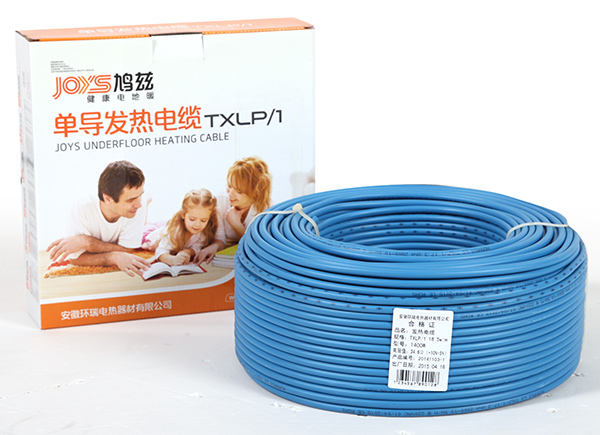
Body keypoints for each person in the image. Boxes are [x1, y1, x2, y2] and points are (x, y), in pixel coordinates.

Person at [46, 160, 151, 277]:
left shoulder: (137, 207)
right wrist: (112, 257)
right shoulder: (82, 209)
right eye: (130, 200)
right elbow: (75, 259)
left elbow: (128, 250)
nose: (138, 204)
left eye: (140, 195)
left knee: (148, 231)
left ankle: (147, 199)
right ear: (108, 199)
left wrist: (87, 242)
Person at [149, 189, 226, 266]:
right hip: (154, 236)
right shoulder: (175, 230)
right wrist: (173, 260)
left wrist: (187, 252)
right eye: (192, 219)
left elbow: (197, 247)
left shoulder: (203, 231)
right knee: (147, 244)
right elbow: (160, 251)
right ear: (183, 214)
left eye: (203, 220)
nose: (197, 224)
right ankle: (147, 200)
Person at [222, 156, 272, 242]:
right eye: (229, 186)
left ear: (255, 193)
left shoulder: (267, 212)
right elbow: (218, 240)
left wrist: (237, 225)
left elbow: (259, 245)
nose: (230, 194)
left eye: (239, 191)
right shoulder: (220, 202)